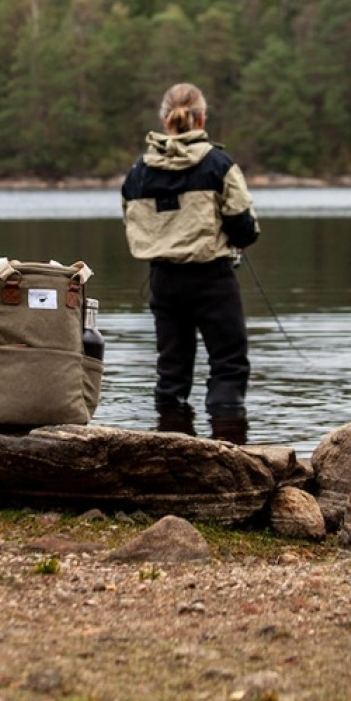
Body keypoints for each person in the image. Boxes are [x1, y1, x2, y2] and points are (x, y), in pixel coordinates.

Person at [121, 82, 260, 443]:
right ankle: (231, 452)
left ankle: (172, 447)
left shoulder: (138, 172)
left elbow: (132, 222)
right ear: (201, 117)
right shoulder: (218, 164)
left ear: (164, 119)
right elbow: (244, 226)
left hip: (163, 281)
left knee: (171, 374)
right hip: (212, 277)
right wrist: (237, 239)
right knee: (228, 366)